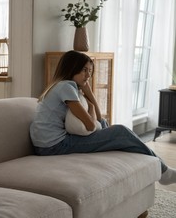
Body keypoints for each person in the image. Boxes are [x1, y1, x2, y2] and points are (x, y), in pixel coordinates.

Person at [30, 50, 176, 185]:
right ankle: (163, 171)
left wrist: (88, 91)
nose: (88, 75)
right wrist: (91, 107)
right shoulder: (66, 87)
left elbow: (99, 119)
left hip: (46, 146)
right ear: (71, 68)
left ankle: (134, 160)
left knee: (106, 123)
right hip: (54, 147)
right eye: (84, 70)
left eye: (90, 71)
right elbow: (91, 125)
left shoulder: (61, 86)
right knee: (121, 131)